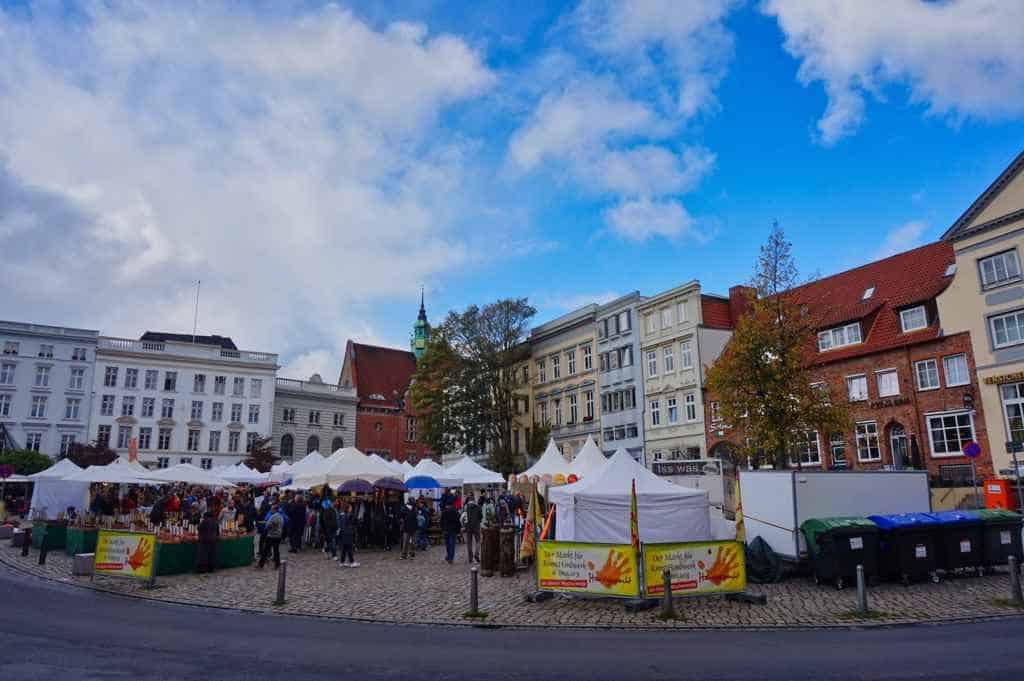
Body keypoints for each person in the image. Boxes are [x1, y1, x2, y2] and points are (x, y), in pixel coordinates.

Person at [258, 504, 285, 569]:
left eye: (272, 509)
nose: (271, 510)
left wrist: (266, 526)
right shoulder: (280, 516)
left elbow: (268, 525)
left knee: (265, 550)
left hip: (271, 535)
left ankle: (261, 564)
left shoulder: (274, 516)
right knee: (276, 551)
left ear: (275, 509)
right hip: (278, 535)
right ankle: (277, 564)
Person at [337, 502, 358, 567]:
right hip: (347, 533)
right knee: (349, 548)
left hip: (343, 533)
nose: (351, 509)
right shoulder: (348, 516)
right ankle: (352, 562)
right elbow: (350, 524)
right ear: (348, 509)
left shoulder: (341, 515)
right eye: (350, 508)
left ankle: (342, 562)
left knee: (344, 548)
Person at [463, 493, 482, 563]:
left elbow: (463, 517)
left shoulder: (465, 507)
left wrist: (464, 525)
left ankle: (470, 558)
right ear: (474, 500)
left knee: (469, 543)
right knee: (478, 541)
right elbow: (481, 516)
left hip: (468, 527)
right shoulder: (478, 507)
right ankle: (476, 553)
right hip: (476, 526)